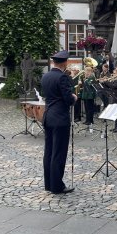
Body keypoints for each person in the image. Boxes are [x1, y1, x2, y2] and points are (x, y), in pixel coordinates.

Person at [41, 50, 77, 194]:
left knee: (48, 151)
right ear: (64, 62)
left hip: (48, 116)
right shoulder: (62, 77)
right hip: (60, 119)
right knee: (59, 153)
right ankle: (57, 186)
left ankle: (49, 184)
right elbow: (68, 99)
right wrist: (74, 97)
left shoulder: (46, 76)